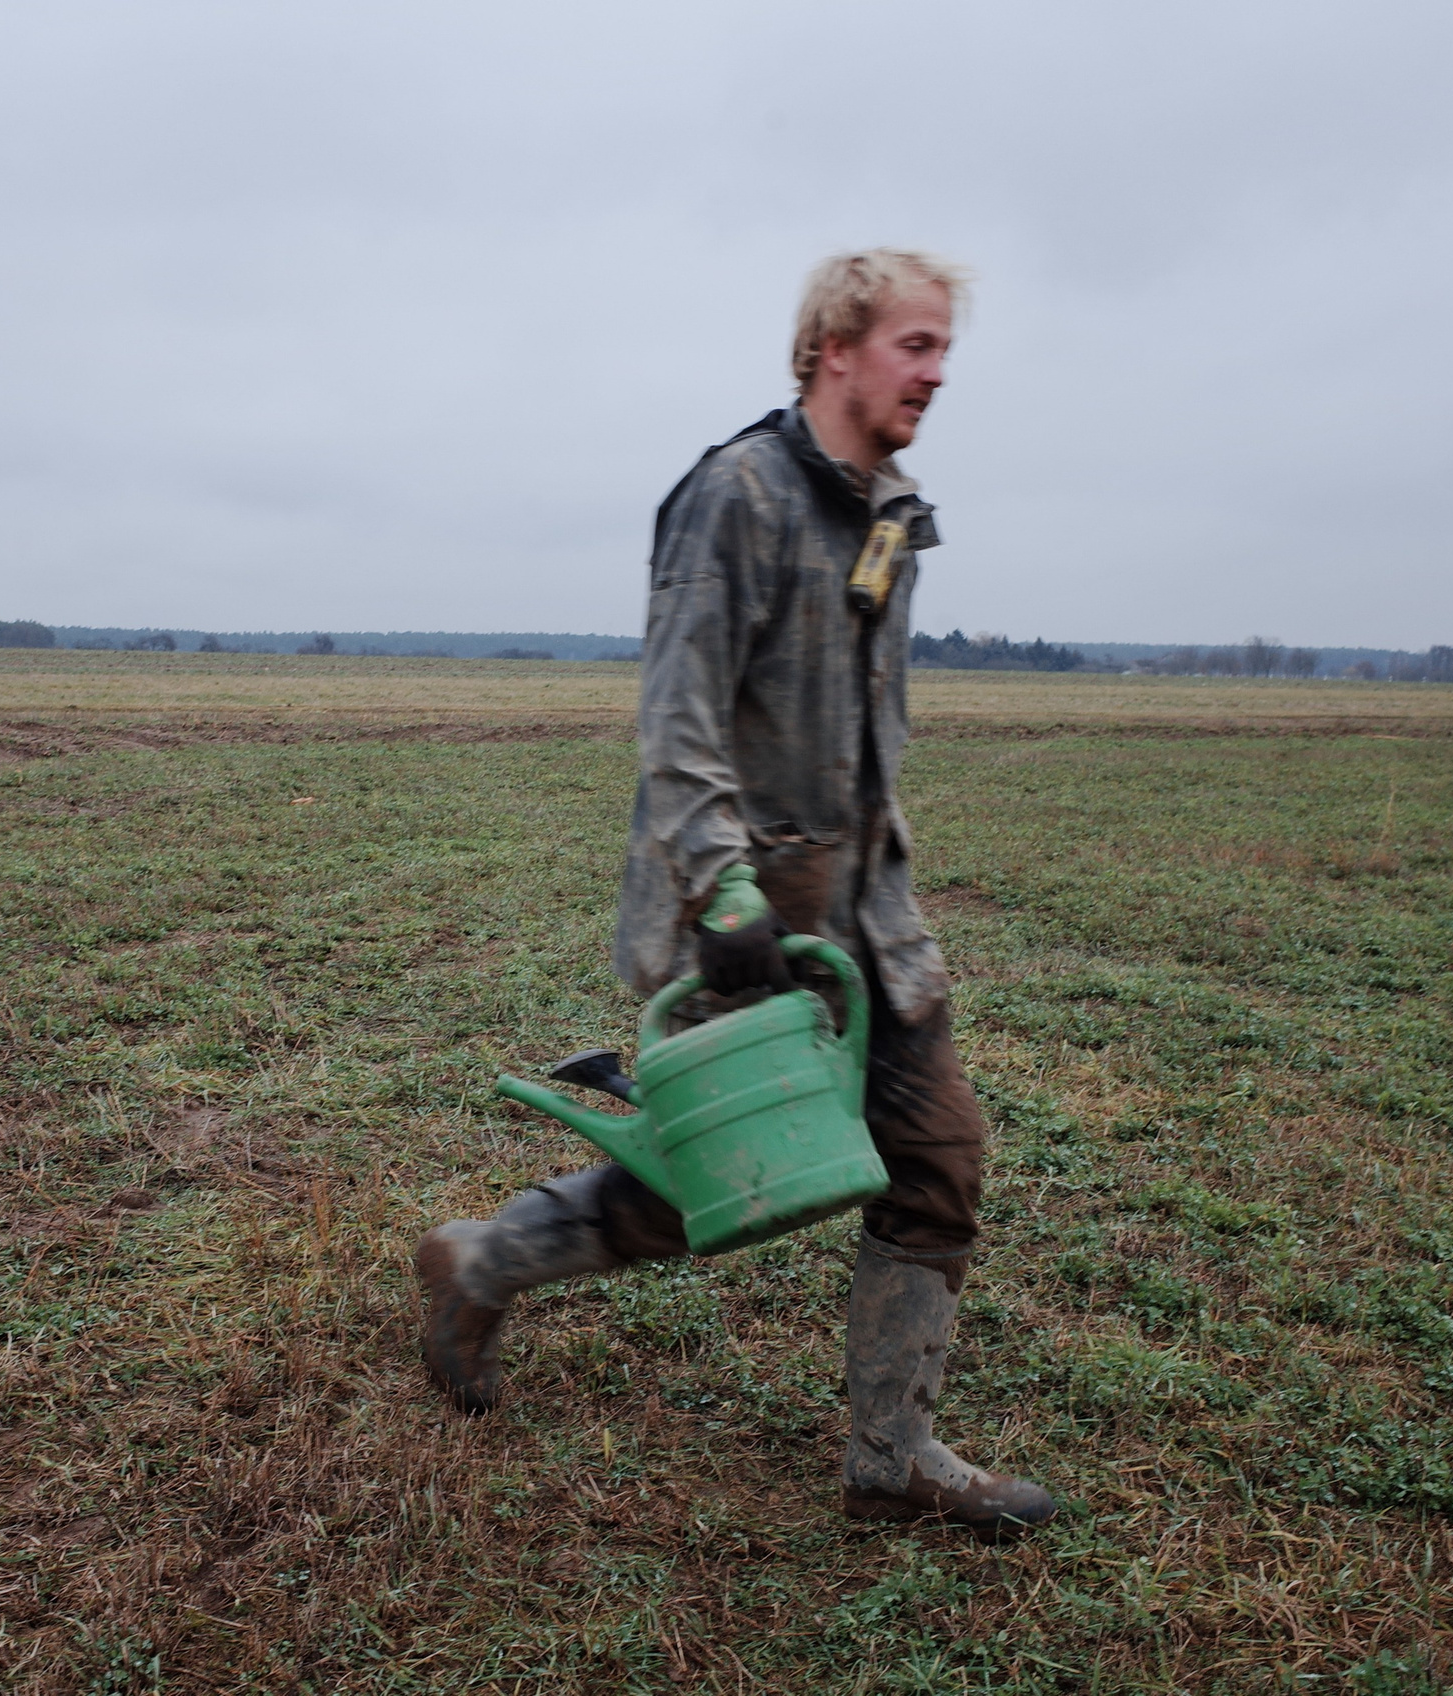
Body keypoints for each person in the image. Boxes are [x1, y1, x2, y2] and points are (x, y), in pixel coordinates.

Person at [415, 249, 1054, 1534]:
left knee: (936, 1165)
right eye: (914, 345)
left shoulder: (887, 517)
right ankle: (482, 1261)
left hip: (868, 916)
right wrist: (721, 893)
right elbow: (679, 719)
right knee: (696, 1195)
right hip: (746, 919)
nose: (937, 371)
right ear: (833, 347)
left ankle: (892, 1452)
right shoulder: (739, 496)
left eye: (943, 348)